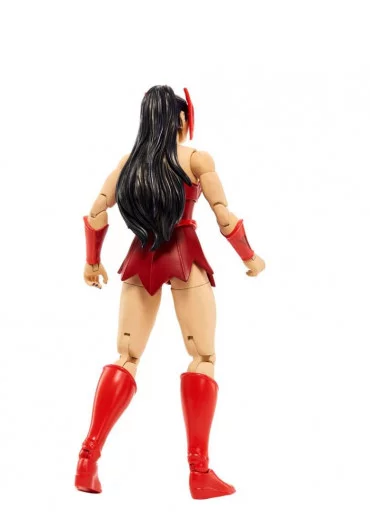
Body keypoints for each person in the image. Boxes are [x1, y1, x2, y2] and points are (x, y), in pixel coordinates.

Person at [75, 85, 265, 499]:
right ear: (180, 120)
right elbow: (224, 217)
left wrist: (92, 262)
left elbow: (95, 213)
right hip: (185, 257)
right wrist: (250, 257)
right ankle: (200, 472)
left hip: (140, 259)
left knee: (127, 356)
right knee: (203, 357)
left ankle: (87, 459)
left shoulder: (129, 162)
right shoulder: (196, 159)